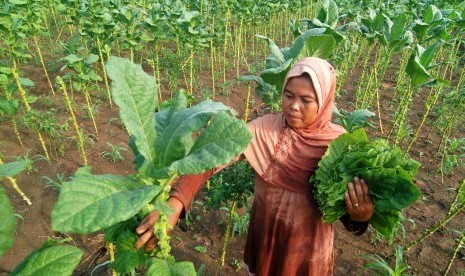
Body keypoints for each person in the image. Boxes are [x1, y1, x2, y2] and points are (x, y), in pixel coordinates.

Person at [135, 57, 374, 275]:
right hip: (265, 243)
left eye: (306, 100)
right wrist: (174, 205)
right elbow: (211, 159)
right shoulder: (266, 129)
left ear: (324, 101)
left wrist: (360, 217)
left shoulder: (339, 146)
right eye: (289, 95)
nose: (293, 106)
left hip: (308, 254)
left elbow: (347, 213)